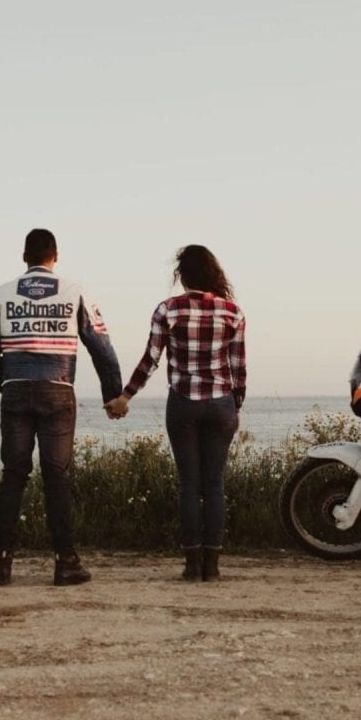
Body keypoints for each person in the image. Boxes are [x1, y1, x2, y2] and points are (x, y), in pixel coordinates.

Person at [0, 229, 123, 586]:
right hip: (58, 391)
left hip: (16, 389)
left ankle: (2, 564)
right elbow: (101, 347)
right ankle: (65, 562)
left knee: (13, 475)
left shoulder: (2, 293)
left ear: (24, 257)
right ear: (55, 256)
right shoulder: (74, 292)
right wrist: (112, 394)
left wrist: (7, 382)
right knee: (56, 477)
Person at [105, 245, 246, 581]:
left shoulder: (168, 310)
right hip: (221, 404)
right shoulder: (233, 312)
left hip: (183, 403)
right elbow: (238, 367)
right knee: (214, 484)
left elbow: (151, 359)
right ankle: (212, 566)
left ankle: (192, 565)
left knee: (189, 484)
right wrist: (235, 406)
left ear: (182, 275)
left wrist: (125, 396)